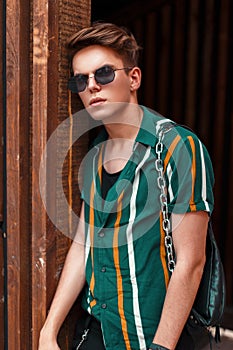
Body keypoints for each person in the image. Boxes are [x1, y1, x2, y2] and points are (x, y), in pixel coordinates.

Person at [38, 22, 214, 350]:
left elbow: (191, 262)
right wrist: (49, 331)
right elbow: (84, 243)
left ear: (133, 78)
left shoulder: (178, 147)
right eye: (81, 79)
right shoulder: (93, 156)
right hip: (97, 332)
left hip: (153, 337)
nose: (91, 86)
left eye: (103, 74)